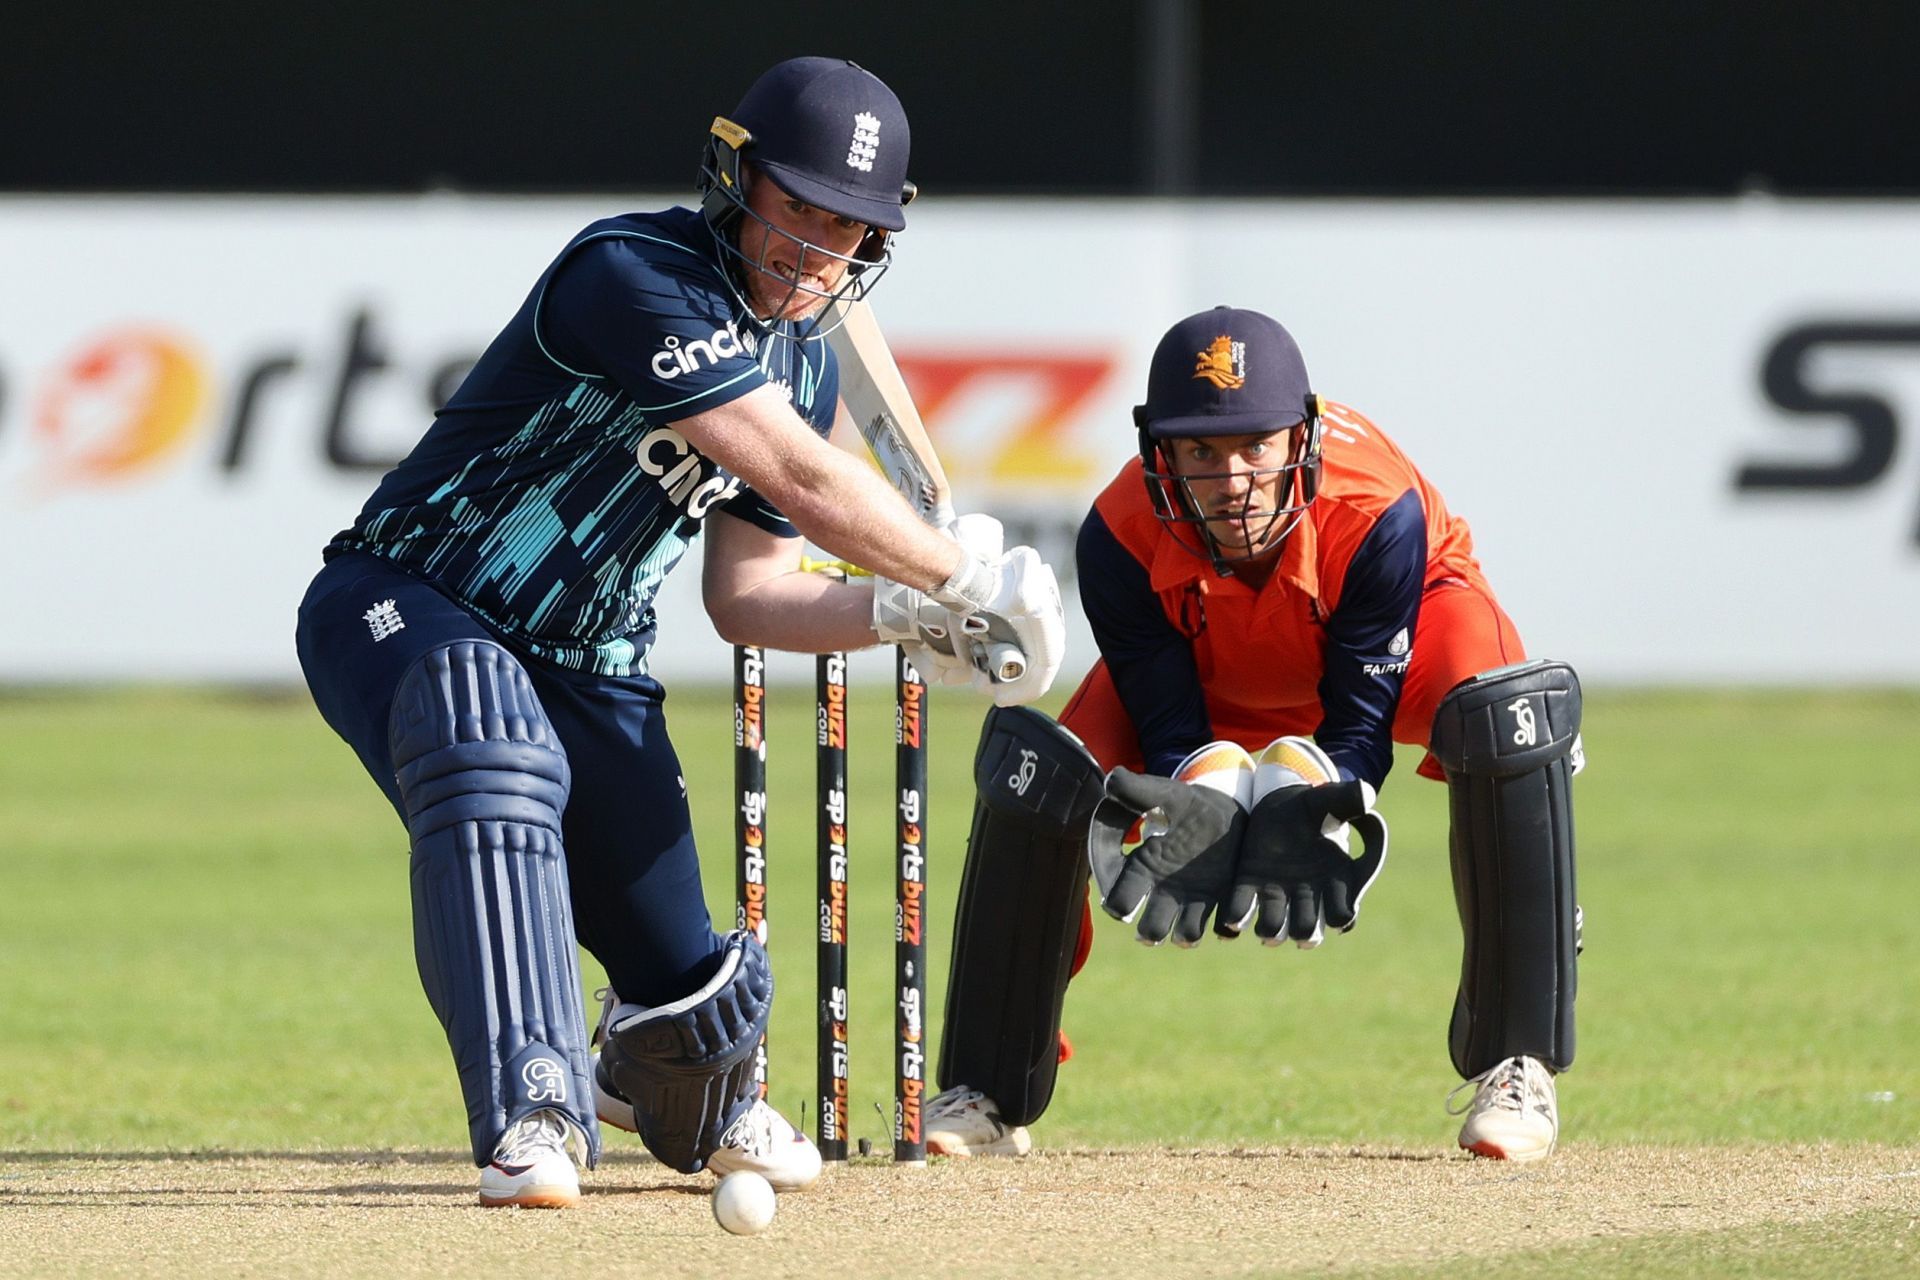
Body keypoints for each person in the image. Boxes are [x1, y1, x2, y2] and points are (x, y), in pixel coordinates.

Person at [294, 56, 1064, 1209]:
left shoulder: (803, 364)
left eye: (847, 226)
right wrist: (961, 572)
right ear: (735, 178)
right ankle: (534, 1105)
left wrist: (897, 613)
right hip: (407, 596)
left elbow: (748, 592)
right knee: (486, 733)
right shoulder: (633, 269)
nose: (813, 246)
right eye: (795, 204)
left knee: (690, 1001)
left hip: (588, 662)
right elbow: (802, 480)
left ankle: (633, 1076)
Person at [924, 306, 1581, 1164]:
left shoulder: (1375, 509)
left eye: (1255, 446)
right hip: (1213, 666)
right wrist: (1203, 795)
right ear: (1159, 452)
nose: (1233, 478)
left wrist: (1315, 798)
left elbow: (1357, 724)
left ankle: (1517, 1064)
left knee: (1504, 721)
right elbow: (1172, 731)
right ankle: (990, 1086)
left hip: (1409, 630)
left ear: (1297, 437)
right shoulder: (1119, 537)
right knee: (1045, 776)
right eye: (1201, 452)